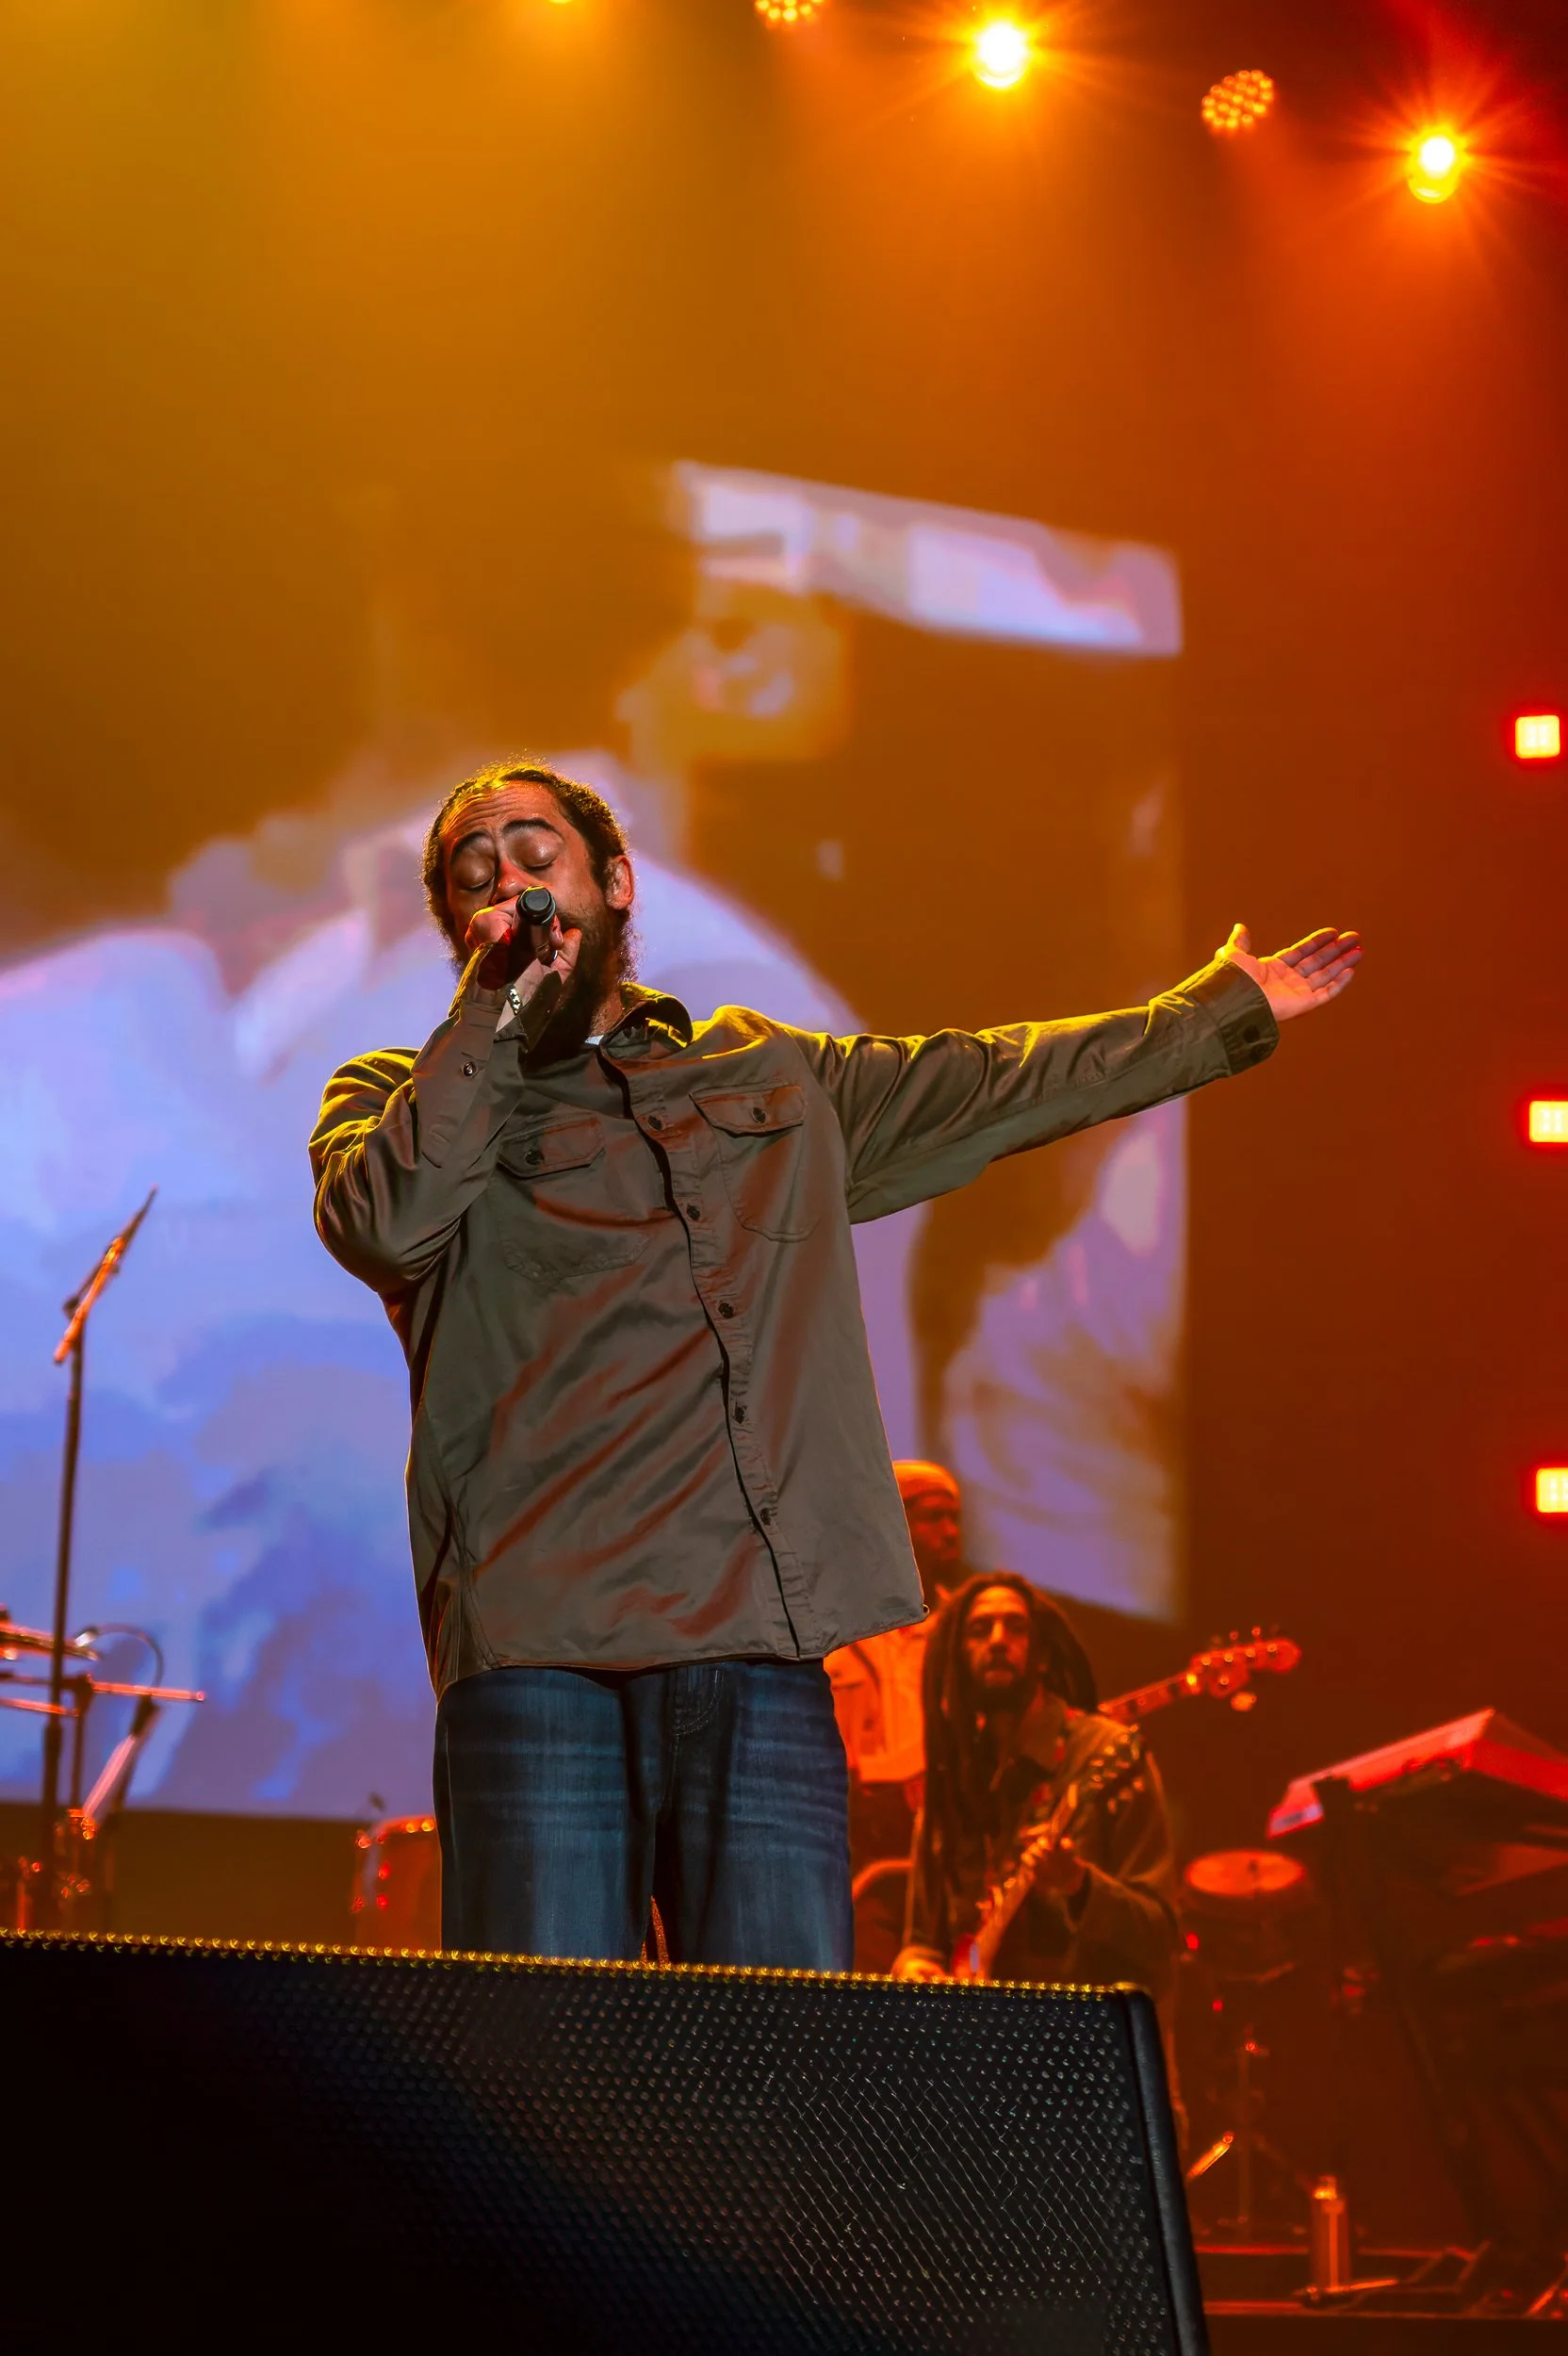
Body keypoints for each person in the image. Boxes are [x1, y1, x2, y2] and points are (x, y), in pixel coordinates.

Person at [308, 756, 1361, 1970]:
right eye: (474, 875)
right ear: (453, 924)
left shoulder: (768, 1076)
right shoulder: (395, 1097)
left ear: (616, 880)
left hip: (755, 1642)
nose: (511, 885)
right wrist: (494, 1007)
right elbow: (384, 1222)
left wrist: (1211, 1016)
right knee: (553, 2067)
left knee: (782, 2070)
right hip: (543, 1645)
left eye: (537, 855)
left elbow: (991, 1079)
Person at [892, 1578, 1178, 2026]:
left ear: (1042, 1656)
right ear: (958, 1659)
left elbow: (1160, 1938)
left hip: (1085, 2054)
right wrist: (915, 1966)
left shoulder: (1106, 1754)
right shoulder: (951, 1781)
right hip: (980, 2059)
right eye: (981, 1629)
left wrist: (1079, 1885)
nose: (999, 1641)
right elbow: (922, 1939)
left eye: (1016, 1628)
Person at [826, 1461, 966, 1970]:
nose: (950, 1532)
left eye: (954, 1518)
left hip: (940, 1869)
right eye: (932, 1518)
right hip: (851, 1860)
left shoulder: (963, 1637)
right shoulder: (837, 1626)